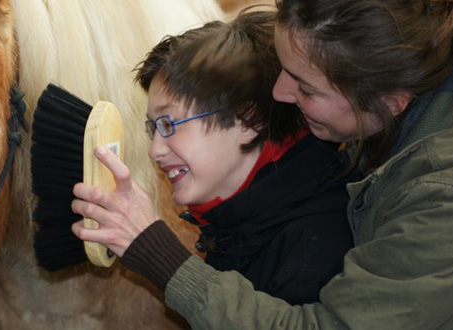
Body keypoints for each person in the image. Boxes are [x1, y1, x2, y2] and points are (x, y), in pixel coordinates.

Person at [72, 0, 453, 329]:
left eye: (305, 87)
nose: (278, 95)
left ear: (389, 100)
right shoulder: (390, 129)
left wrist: (163, 257)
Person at [75, 10, 356, 305]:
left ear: (248, 120)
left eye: (169, 124)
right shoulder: (243, 224)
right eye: (153, 128)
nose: (154, 150)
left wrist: (154, 250)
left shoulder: (312, 253)